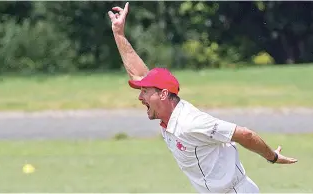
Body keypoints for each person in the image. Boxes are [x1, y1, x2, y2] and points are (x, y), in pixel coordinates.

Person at [108, 2, 298, 193]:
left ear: (164, 94)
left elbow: (244, 134)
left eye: (145, 92)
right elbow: (138, 74)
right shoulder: (169, 117)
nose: (140, 97)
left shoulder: (190, 122)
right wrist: (119, 34)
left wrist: (271, 156)